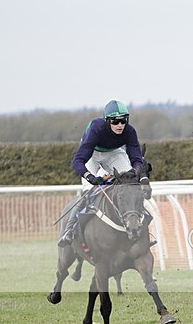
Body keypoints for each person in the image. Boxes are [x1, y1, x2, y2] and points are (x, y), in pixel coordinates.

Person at [57, 100, 151, 247]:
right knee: (88, 192)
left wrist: (136, 171)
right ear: (107, 121)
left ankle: (140, 228)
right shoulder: (96, 129)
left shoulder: (130, 131)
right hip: (92, 153)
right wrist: (90, 177)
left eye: (123, 121)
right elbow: (77, 161)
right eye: (115, 122)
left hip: (114, 153)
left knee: (130, 185)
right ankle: (69, 230)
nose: (120, 125)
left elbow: (137, 158)